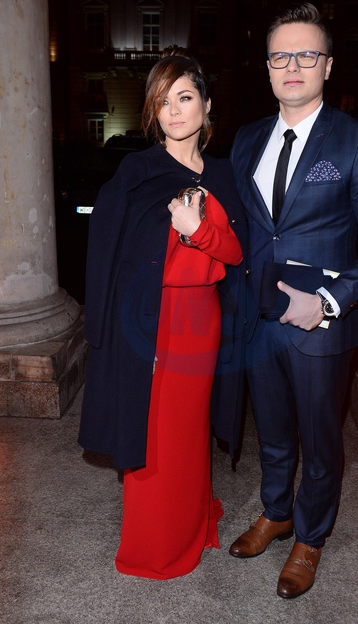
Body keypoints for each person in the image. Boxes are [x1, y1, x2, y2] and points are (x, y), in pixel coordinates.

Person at [228, 4, 358, 599]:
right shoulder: (247, 139)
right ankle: (276, 512)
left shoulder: (357, 139)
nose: (293, 66)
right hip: (260, 321)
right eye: (281, 55)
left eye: (306, 54)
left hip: (321, 327)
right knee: (272, 430)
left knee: (320, 440)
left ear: (327, 65)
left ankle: (311, 536)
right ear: (267, 66)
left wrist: (327, 302)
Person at [78, 47, 247, 580]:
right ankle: (153, 544)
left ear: (207, 105)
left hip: (202, 322)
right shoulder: (138, 170)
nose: (173, 111)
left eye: (185, 97)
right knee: (150, 433)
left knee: (189, 432)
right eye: (162, 101)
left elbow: (238, 253)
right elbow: (111, 254)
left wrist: (198, 231)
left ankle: (193, 523)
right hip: (151, 321)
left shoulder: (225, 174)